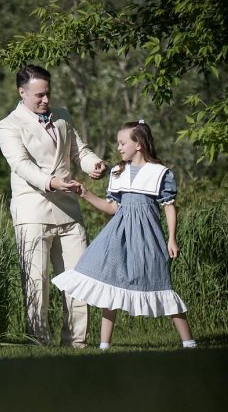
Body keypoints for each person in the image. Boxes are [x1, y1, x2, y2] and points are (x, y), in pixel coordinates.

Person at [52, 120, 197, 350]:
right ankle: (104, 345)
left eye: (122, 143)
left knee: (161, 281)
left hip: (147, 236)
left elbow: (169, 206)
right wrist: (84, 192)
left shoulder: (159, 173)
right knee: (110, 282)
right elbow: (112, 208)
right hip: (118, 236)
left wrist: (171, 238)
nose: (118, 148)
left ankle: (188, 342)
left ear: (138, 144)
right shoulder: (119, 172)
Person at [0, 64, 106, 347]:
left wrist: (94, 163)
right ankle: (40, 344)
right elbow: (21, 165)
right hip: (33, 212)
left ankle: (77, 343)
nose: (46, 100)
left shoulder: (63, 116)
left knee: (78, 279)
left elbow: (78, 150)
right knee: (37, 282)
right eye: (39, 96)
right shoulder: (8, 125)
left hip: (69, 209)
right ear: (22, 93)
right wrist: (52, 182)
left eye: (48, 94)